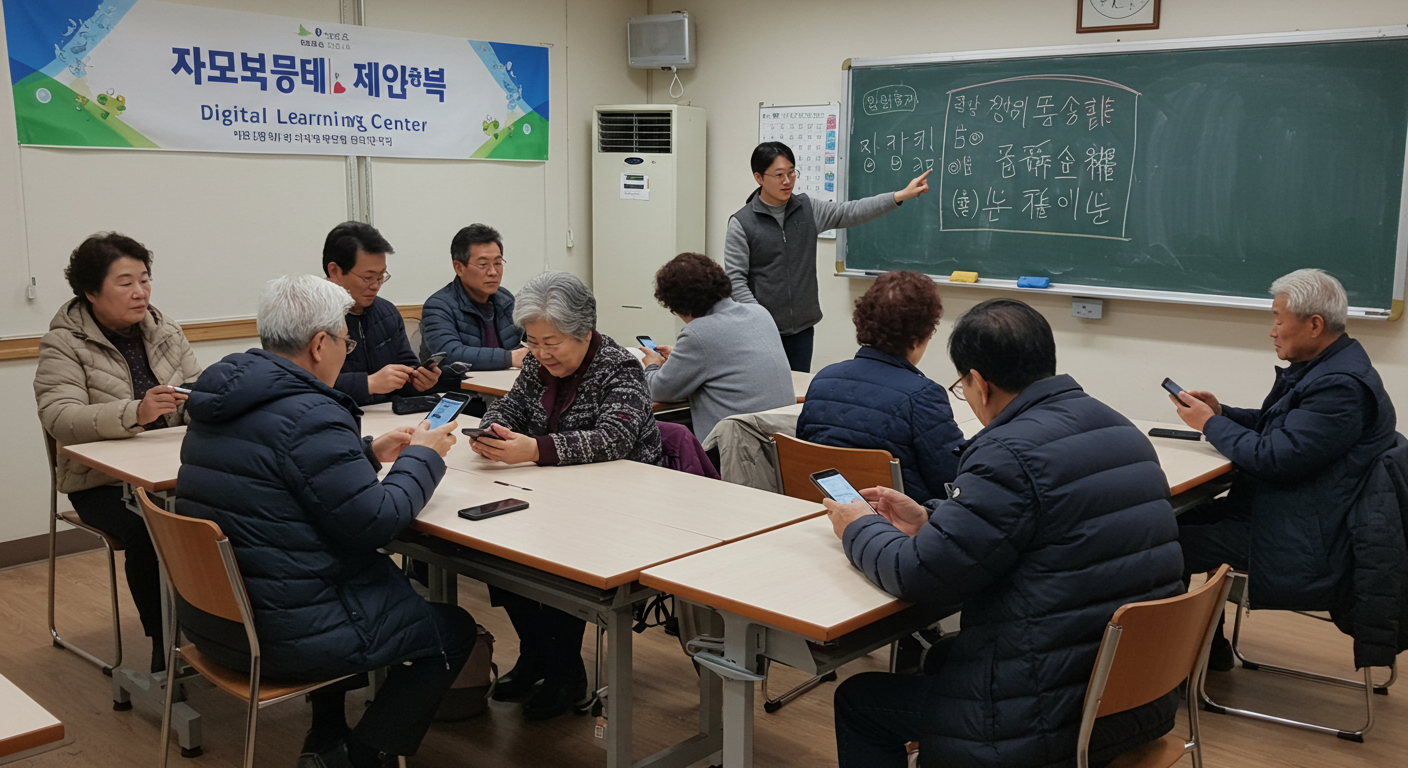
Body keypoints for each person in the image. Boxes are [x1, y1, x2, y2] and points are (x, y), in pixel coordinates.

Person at [824, 298, 1184, 768]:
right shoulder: (1119, 427)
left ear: (979, 382)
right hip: (1135, 694)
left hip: (1049, 718)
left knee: (859, 701)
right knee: (946, 658)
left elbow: (919, 574)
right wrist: (930, 519)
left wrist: (860, 527)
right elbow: (1033, 525)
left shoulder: (1006, 452)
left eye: (962, 387)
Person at [175, 275, 471, 768]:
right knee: (451, 630)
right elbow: (377, 524)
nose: (348, 350)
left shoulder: (220, 399)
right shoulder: (312, 412)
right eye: (345, 340)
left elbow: (281, 475)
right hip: (288, 633)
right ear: (318, 344)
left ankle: (327, 729)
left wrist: (368, 452)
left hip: (219, 623)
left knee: (357, 589)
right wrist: (423, 456)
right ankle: (355, 756)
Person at [1170, 268, 1396, 670]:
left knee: (1166, 544)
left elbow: (1274, 458)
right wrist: (1223, 413)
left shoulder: (1339, 386)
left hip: (1306, 539)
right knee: (1170, 519)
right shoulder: (1327, 367)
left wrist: (1209, 423)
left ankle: (1169, 663)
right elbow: (1283, 430)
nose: (1272, 330)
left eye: (1278, 319)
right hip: (1294, 515)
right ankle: (1208, 651)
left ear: (1314, 324)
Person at [469, 270, 662, 721]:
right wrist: (492, 430)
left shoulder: (620, 368)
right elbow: (508, 405)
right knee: (496, 548)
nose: (539, 353)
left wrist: (534, 448)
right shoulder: (538, 365)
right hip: (554, 491)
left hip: (620, 503)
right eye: (532, 342)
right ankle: (538, 656)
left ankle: (566, 670)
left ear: (584, 331)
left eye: (550, 341)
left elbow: (613, 438)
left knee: (557, 559)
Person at [34, 232, 203, 675]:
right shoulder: (64, 343)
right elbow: (60, 417)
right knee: (152, 530)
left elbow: (195, 387)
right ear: (91, 292)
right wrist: (135, 412)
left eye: (145, 279)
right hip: (100, 481)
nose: (140, 292)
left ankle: (220, 630)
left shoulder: (165, 330)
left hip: (169, 467)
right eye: (125, 282)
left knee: (227, 512)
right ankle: (165, 648)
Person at [725, 141, 933, 372]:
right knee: (764, 393)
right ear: (759, 178)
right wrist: (761, 320)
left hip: (802, 330)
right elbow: (735, 280)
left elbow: (850, 211)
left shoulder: (807, 209)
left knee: (796, 392)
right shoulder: (742, 223)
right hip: (759, 331)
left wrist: (899, 195)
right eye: (779, 175)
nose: (787, 181)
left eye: (792, 172)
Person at [796, 271, 964, 504]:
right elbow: (953, 479)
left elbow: (804, 454)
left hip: (825, 509)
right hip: (897, 522)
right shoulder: (923, 396)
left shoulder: (823, 380)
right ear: (921, 336)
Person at [641, 252, 794, 454]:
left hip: (736, 452)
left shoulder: (698, 333)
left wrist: (652, 365)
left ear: (680, 305)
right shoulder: (760, 313)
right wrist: (680, 358)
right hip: (784, 444)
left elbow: (660, 390)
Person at [322, 221, 440, 405]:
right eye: (368, 278)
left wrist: (419, 380)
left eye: (381, 276)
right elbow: (303, 383)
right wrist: (368, 384)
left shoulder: (387, 313)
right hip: (334, 418)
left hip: (387, 419)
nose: (376, 285)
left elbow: (406, 366)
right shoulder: (308, 318)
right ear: (335, 271)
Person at [419, 223, 527, 372]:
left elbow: (526, 344)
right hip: (461, 390)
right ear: (459, 268)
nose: (493, 272)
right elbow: (449, 354)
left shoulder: (505, 299)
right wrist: (508, 358)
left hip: (504, 386)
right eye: (483, 264)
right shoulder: (438, 306)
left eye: (498, 263)